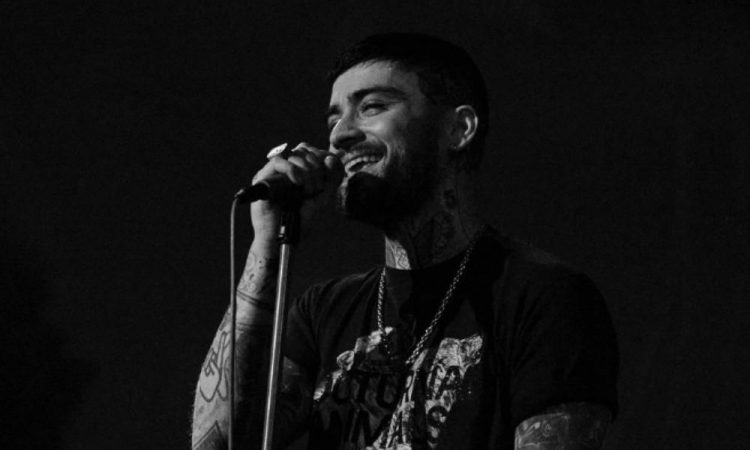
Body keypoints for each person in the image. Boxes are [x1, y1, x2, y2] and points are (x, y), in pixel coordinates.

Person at [191, 33, 618, 450]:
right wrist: (266, 243)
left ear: (459, 129)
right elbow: (218, 443)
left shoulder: (544, 299)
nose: (339, 135)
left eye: (372, 107)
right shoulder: (324, 312)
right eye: (334, 119)